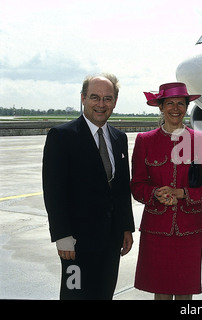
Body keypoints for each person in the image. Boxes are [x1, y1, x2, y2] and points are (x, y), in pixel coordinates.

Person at [42, 73, 135, 300]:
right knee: (75, 294)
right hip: (76, 244)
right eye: (95, 97)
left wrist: (126, 227)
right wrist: (62, 235)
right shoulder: (61, 136)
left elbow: (122, 189)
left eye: (107, 98)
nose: (101, 104)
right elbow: (54, 191)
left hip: (111, 241)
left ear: (114, 101)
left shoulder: (119, 138)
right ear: (83, 98)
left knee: (104, 294)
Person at [131, 82, 202, 300]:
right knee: (160, 291)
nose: (175, 108)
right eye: (169, 103)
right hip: (156, 230)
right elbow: (137, 185)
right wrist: (155, 194)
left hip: (189, 229)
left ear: (187, 107)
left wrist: (181, 194)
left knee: (184, 290)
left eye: (181, 103)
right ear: (160, 107)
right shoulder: (145, 141)